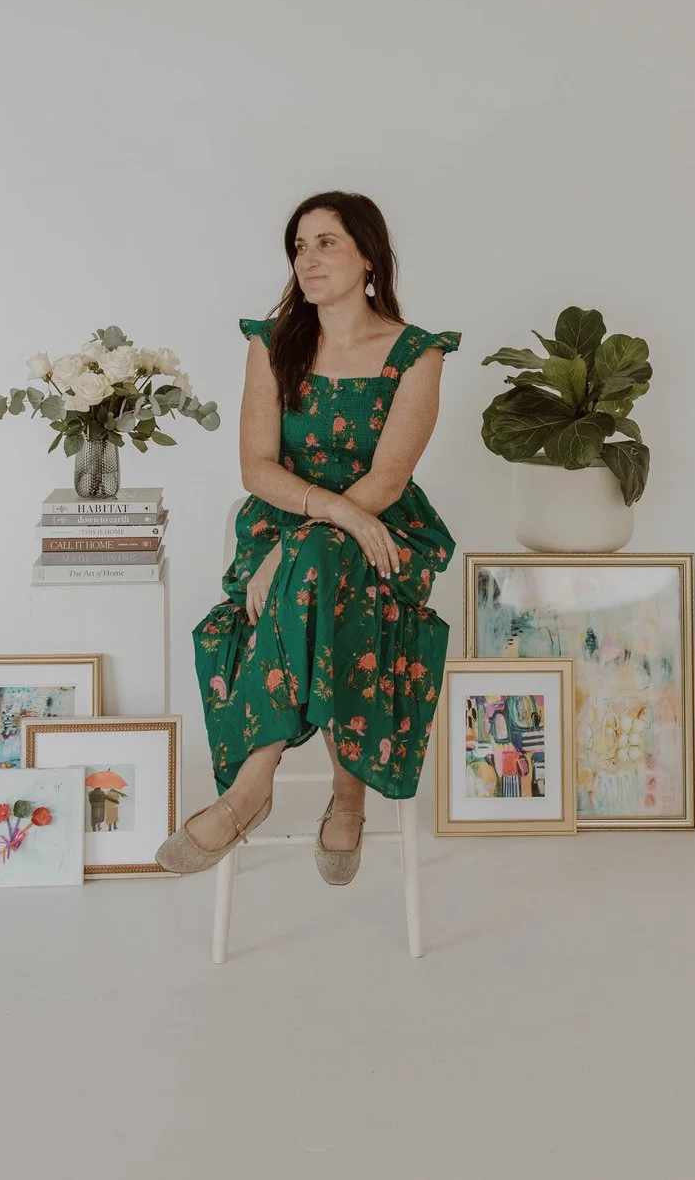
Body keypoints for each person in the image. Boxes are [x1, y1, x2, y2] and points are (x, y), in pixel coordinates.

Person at [156, 191, 461, 887]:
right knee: (320, 562)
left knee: (322, 561)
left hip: (382, 528)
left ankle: (248, 792)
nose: (308, 259)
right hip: (283, 522)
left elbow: (387, 479)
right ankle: (344, 797)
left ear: (369, 256)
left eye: (326, 242)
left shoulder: (417, 353)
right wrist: (305, 534)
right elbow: (256, 467)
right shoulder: (273, 345)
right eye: (299, 246)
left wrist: (301, 548)